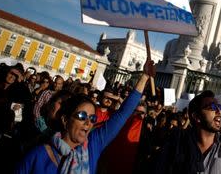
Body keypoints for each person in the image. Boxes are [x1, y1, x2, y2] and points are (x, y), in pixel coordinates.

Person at [15, 59, 156, 174]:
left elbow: (123, 113)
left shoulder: (94, 144)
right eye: (82, 115)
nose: (88, 122)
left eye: (93, 118)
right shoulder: (36, 154)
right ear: (65, 120)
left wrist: (144, 77)